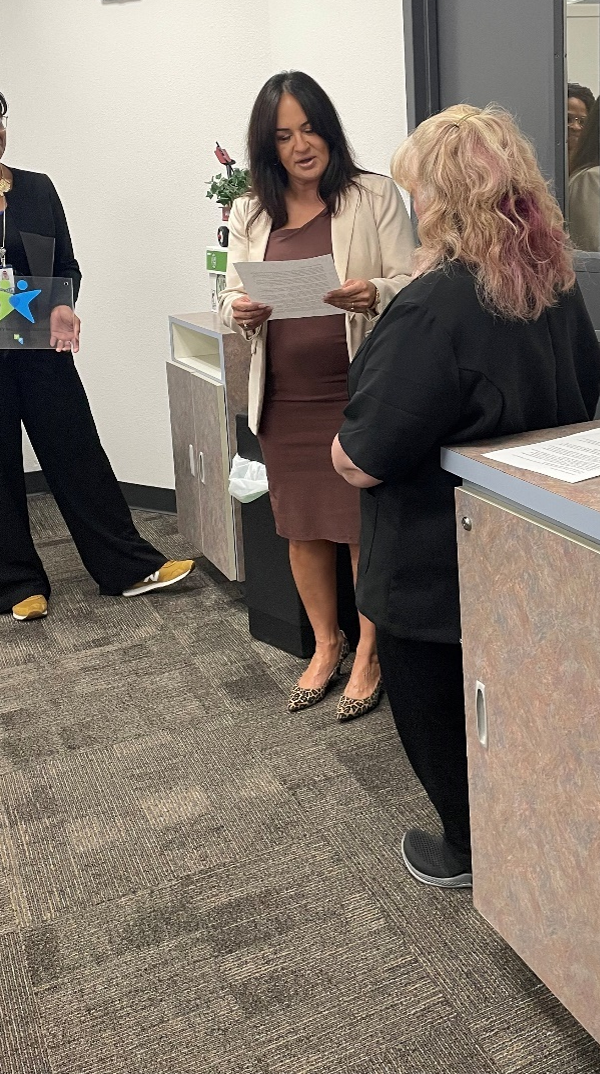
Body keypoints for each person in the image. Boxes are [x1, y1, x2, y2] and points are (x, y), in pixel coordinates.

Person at [331, 104, 600, 887]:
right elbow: (582, 391)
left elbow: (363, 456)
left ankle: (467, 847)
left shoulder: (435, 305)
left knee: (438, 711)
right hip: (523, 541)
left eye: (417, 190)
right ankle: (520, 828)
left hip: (431, 564)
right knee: (509, 703)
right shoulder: (555, 282)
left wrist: (340, 447)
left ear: (440, 197)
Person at [0, 77, 193, 621]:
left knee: (76, 450)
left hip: (39, 343)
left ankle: (127, 568)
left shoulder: (37, 188)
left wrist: (66, 304)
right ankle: (16, 586)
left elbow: (65, 267)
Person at [218, 71, 413, 720]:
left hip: (354, 389)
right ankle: (326, 646)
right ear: (266, 147)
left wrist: (376, 293)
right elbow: (227, 294)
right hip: (285, 395)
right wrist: (239, 308)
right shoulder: (250, 209)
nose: (301, 144)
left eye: (309, 128)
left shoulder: (372, 195)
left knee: (361, 531)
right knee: (301, 529)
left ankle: (369, 654)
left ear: (327, 128)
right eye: (283, 135)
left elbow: (414, 280)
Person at [566, 84, 600, 252]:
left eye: (583, 121)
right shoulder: (588, 178)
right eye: (568, 119)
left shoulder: (590, 175)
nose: (575, 127)